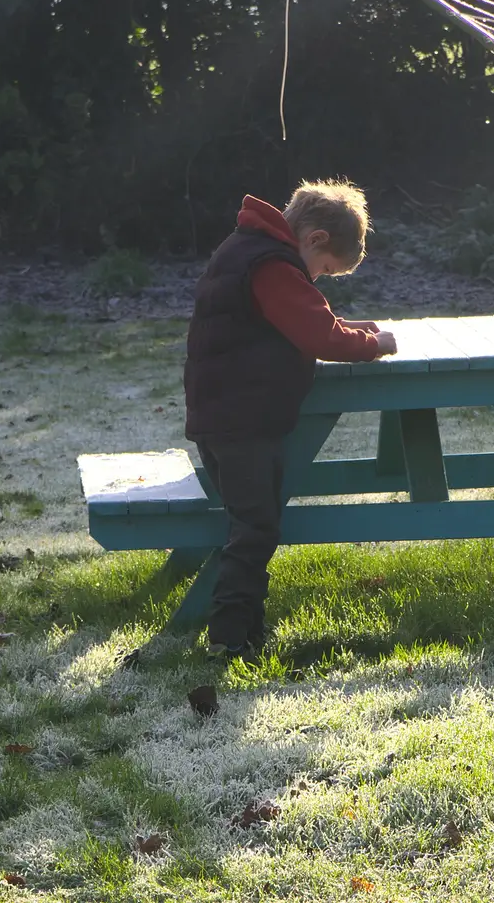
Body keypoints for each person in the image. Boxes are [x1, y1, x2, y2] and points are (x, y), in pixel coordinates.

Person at [184, 180, 396, 657]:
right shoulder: (274, 267)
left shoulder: (251, 249)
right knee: (254, 528)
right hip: (241, 420)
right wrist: (370, 345)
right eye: (323, 270)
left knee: (252, 522)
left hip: (225, 411)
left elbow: (302, 319)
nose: (317, 280)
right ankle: (230, 637)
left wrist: (349, 327)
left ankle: (246, 628)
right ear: (316, 239)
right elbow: (317, 335)